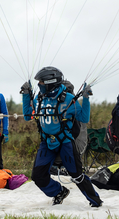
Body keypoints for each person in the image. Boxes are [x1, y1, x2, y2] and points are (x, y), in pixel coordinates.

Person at [22, 66, 102, 207]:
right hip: (47, 142)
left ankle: (95, 201)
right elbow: (28, 116)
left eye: (41, 82)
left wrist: (86, 98)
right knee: (38, 176)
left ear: (50, 83)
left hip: (65, 142)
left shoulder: (68, 99)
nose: (39, 84)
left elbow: (83, 118)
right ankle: (59, 192)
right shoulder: (39, 98)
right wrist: (26, 94)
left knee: (76, 175)